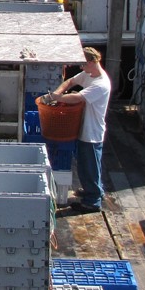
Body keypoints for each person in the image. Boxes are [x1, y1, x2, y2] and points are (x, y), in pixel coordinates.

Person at [45, 46, 112, 213]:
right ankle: (95, 190)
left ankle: (92, 201)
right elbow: (70, 82)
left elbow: (77, 97)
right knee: (87, 165)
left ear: (91, 62)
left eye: (83, 64)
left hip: (91, 132)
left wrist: (56, 98)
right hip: (83, 128)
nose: (81, 68)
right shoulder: (88, 74)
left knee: (89, 166)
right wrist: (57, 93)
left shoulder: (101, 84)